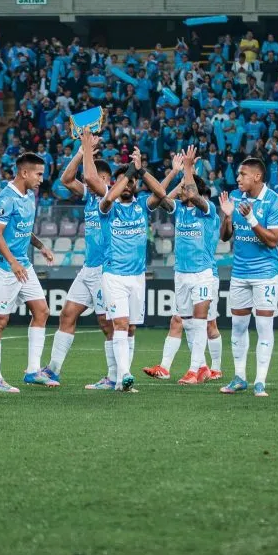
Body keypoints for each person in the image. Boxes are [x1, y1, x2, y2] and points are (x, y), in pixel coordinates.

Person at [42, 130, 120, 389]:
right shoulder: (89, 196)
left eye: (98, 176)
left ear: (106, 179)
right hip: (88, 268)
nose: (92, 180)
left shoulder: (111, 197)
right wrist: (79, 153)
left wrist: (87, 149)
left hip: (105, 270)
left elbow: (88, 177)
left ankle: (113, 376)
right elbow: (66, 179)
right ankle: (53, 370)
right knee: (68, 314)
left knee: (105, 324)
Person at [139, 146, 219, 385]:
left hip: (202, 274)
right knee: (179, 320)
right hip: (181, 274)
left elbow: (194, 195)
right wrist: (176, 174)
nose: (184, 191)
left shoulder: (208, 210)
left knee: (200, 321)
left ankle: (196, 370)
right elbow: (163, 198)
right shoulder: (180, 211)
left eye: (187, 187)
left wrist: (188, 169)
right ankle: (170, 368)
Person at [0, 153, 56, 393]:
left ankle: (32, 371)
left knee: (42, 310)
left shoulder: (29, 196)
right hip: (2, 266)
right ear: (24, 173)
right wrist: (13, 262)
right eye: (38, 174)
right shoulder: (6, 198)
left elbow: (24, 231)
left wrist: (41, 246)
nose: (41, 179)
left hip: (21, 263)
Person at [100, 148, 169, 392]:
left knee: (130, 327)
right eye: (124, 182)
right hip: (114, 275)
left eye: (132, 182)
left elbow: (161, 193)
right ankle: (125, 373)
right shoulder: (108, 207)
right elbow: (109, 198)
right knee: (120, 323)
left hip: (137, 276)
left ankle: (121, 382)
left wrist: (140, 170)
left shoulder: (141, 204)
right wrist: (128, 172)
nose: (128, 185)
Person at [217, 158, 278, 398]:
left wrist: (251, 219)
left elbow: (272, 240)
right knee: (238, 325)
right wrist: (227, 217)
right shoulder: (235, 197)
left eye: (243, 174)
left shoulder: (275, 202)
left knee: (264, 325)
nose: (238, 178)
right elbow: (225, 238)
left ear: (257, 177)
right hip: (239, 273)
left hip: (265, 274)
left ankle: (260, 381)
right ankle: (239, 377)